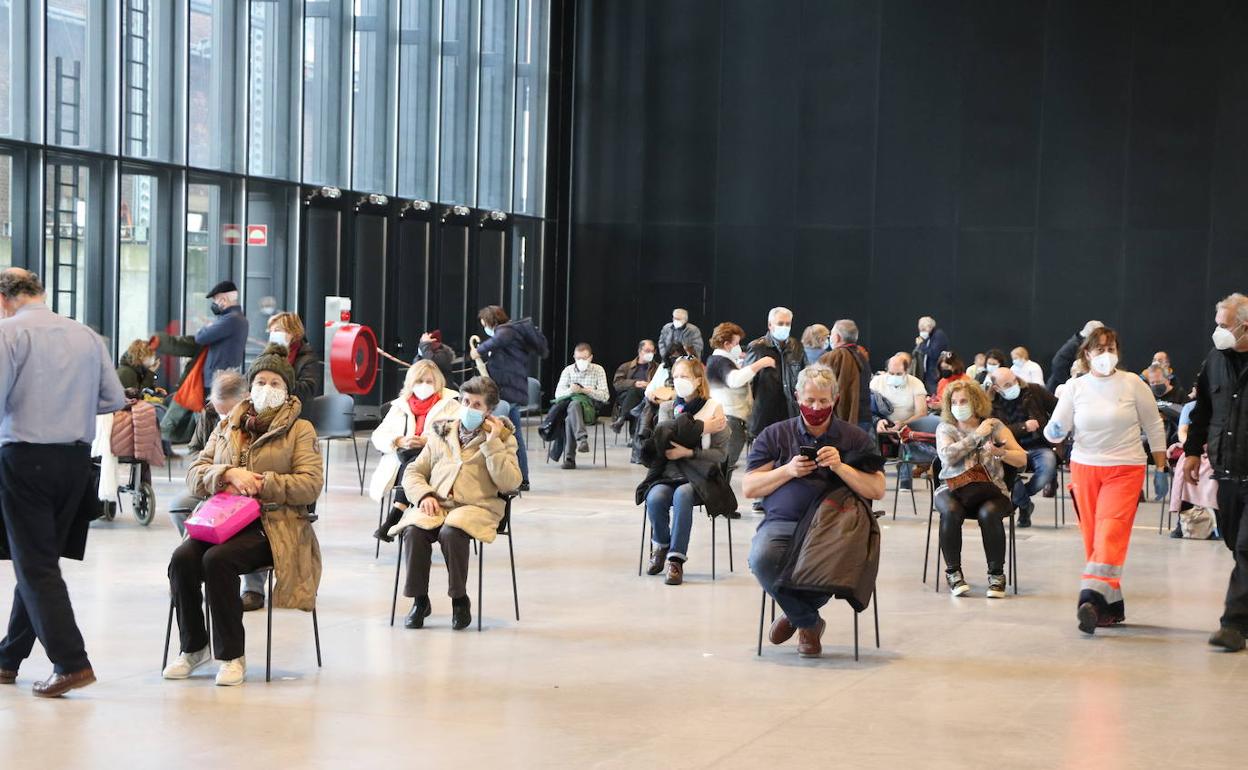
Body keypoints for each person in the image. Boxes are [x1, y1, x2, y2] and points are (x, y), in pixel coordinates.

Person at [163, 345, 323, 686]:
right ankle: (194, 647)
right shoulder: (228, 424)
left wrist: (261, 483)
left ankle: (231, 656)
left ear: (287, 390)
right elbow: (195, 472)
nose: (266, 388)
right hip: (222, 521)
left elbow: (310, 485)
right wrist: (227, 474)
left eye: (275, 383)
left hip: (273, 525)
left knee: (217, 561)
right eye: (260, 381)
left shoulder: (301, 430)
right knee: (182, 559)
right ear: (250, 387)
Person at [0, 269, 126, 697]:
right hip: (75, 461)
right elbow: (113, 398)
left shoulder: (8, 333)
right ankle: (8, 659)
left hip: (25, 458)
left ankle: (72, 662)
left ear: (4, 299)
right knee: (39, 560)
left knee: (34, 565)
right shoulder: (86, 336)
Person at [745, 365, 885, 657]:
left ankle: (795, 616)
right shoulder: (775, 434)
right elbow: (750, 487)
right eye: (810, 400)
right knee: (761, 558)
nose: (816, 407)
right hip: (783, 522)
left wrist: (840, 466)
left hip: (836, 526)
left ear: (835, 399)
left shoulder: (855, 437)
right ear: (797, 397)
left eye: (823, 401)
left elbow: (876, 490)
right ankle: (808, 621)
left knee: (835, 564)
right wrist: (788, 470)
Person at [1044, 326, 1167, 635]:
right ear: (1087, 354)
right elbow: (1055, 429)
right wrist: (1054, 432)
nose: (1106, 354)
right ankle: (1109, 608)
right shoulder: (1075, 387)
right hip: (1084, 468)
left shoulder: (1132, 383)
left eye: (1111, 348)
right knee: (1094, 541)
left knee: (1110, 532)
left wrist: (1161, 464)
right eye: (1099, 349)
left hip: (1125, 468)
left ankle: (1089, 597)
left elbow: (1153, 424)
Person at [387, 376, 522, 630]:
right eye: (466, 401)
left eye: (477, 405)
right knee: (414, 531)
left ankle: (459, 599)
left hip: (477, 507)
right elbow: (414, 471)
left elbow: (510, 483)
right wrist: (424, 495)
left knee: (452, 532)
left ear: (489, 410)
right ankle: (419, 600)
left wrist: (493, 443)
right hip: (437, 504)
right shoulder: (441, 432)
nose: (469, 408)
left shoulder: (504, 439)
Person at [166, 371, 269, 613]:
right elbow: (195, 453)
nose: (224, 416)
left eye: (228, 410)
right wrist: (218, 473)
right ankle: (196, 569)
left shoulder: (259, 419)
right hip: (215, 482)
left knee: (249, 515)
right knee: (179, 505)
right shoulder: (209, 414)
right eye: (220, 410)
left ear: (245, 398)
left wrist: (236, 477)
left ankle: (253, 587)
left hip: (247, 487)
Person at [1185, 292, 1248, 651]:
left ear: (1245, 326)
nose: (1217, 330)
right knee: (1234, 543)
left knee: (1246, 547)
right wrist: (1193, 452)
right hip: (1227, 472)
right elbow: (1202, 411)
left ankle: (1233, 625)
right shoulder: (1215, 359)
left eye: (1224, 325)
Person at [637, 358, 732, 585]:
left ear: (698, 380)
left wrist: (688, 452)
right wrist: (703, 427)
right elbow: (664, 439)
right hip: (669, 472)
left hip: (701, 474)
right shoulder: (667, 407)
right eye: (676, 377)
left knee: (683, 495)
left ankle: (675, 559)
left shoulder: (714, 408)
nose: (679, 381)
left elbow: (720, 455)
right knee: (655, 497)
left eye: (684, 376)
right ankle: (661, 545)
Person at [935, 380, 1027, 597]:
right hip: (952, 487)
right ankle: (953, 573)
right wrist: (977, 435)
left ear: (976, 402)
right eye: (954, 402)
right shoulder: (945, 428)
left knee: (989, 513)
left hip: (990, 489)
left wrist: (1001, 453)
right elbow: (947, 456)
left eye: (964, 401)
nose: (959, 406)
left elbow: (1022, 459)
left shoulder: (994, 426)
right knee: (951, 511)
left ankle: (996, 575)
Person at [370, 359, 461, 540]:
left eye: (429, 381)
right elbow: (378, 436)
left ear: (438, 382)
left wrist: (428, 441)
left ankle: (396, 514)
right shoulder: (399, 406)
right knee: (411, 465)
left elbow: (456, 435)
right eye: (419, 381)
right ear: (411, 382)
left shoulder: (451, 405)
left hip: (436, 461)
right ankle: (398, 515)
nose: (424, 385)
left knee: (414, 465)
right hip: (401, 458)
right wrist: (399, 440)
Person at [472, 305, 548, 491]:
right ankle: (522, 479)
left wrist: (478, 351)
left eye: (484, 324)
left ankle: (506, 477)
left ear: (491, 321)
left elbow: (494, 343)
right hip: (512, 391)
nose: (484, 328)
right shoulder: (513, 332)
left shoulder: (506, 331)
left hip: (506, 392)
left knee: (497, 433)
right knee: (515, 435)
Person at [987, 367, 1058, 528]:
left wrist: (1052, 428)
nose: (1013, 385)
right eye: (1007, 385)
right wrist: (1023, 427)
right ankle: (1025, 506)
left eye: (1014, 381)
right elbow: (997, 431)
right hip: (1010, 449)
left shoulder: (1034, 390)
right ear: (996, 388)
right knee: (1009, 475)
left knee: (1047, 468)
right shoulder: (991, 404)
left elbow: (1059, 408)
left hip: (1039, 446)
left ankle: (1018, 499)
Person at [706, 322, 774, 482]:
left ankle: (722, 496)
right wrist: (759, 364)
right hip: (729, 418)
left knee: (726, 464)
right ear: (727, 344)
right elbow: (734, 380)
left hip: (732, 418)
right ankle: (719, 497)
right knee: (725, 464)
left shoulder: (722, 360)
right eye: (736, 343)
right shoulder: (719, 361)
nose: (738, 347)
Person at [871, 353, 933, 489]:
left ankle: (905, 480)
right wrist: (878, 422)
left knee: (907, 435)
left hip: (908, 424)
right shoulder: (876, 382)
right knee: (868, 430)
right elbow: (869, 410)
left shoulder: (916, 383)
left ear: (906, 371)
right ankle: (874, 474)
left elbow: (922, 413)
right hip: (882, 423)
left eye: (898, 374)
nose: (894, 376)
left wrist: (903, 424)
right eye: (891, 373)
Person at [548, 343, 609, 470]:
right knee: (571, 410)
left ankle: (570, 458)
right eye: (578, 358)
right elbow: (558, 394)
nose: (581, 361)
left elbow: (605, 396)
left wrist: (586, 391)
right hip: (571, 411)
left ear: (590, 358)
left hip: (590, 409)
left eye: (584, 358)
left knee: (572, 411)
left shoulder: (598, 370)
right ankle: (581, 440)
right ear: (574, 357)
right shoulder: (568, 371)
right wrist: (571, 390)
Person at [745, 307, 804, 440]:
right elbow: (747, 380)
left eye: (788, 324)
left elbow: (804, 375)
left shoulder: (797, 346)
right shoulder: (757, 347)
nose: (784, 327)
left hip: (790, 410)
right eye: (780, 323)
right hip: (764, 412)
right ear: (770, 325)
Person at [818, 319, 872, 434]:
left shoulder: (834, 357)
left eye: (831, 334)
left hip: (844, 422)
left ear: (837, 337)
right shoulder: (862, 356)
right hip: (865, 417)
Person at [195, 281, 249, 388]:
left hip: (218, 380)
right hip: (222, 378)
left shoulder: (230, 319)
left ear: (223, 299)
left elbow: (200, 337)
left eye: (215, 299)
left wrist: (207, 326)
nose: (214, 303)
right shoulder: (236, 318)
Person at [266, 312, 323, 405]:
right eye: (271, 331)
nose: (273, 335)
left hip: (294, 408)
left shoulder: (307, 358)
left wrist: (280, 383)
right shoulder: (268, 355)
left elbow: (307, 390)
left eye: (277, 330)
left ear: (293, 332)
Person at [611, 339, 658, 435]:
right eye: (647, 351)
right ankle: (635, 437)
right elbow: (617, 384)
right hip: (626, 398)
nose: (650, 353)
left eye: (652, 351)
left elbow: (661, 384)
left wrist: (649, 385)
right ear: (640, 351)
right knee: (635, 394)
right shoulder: (626, 366)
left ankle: (622, 418)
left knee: (640, 403)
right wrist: (634, 383)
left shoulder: (657, 368)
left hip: (647, 396)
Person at [1046, 320, 1102, 393]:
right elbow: (1057, 365)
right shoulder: (1074, 345)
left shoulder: (1077, 344)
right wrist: (1069, 383)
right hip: (1058, 389)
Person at [915, 316, 950, 395]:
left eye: (924, 329)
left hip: (934, 375)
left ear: (930, 327)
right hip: (926, 374)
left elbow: (934, 354)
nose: (922, 332)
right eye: (920, 330)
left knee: (935, 396)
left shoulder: (938, 335)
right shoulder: (929, 337)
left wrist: (921, 344)